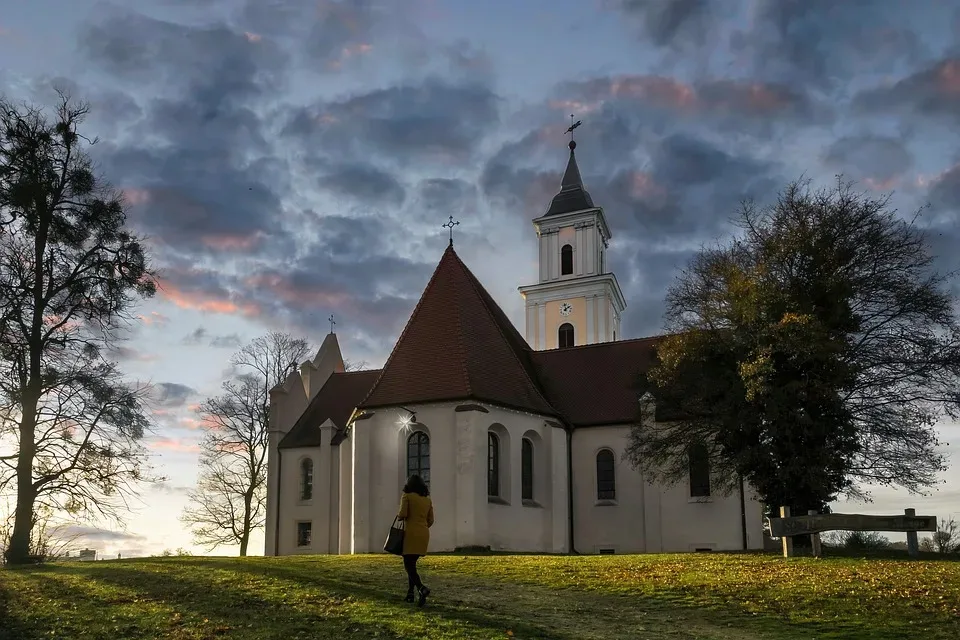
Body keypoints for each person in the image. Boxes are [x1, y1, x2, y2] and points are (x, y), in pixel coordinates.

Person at [396, 473, 434, 606]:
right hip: (423, 534)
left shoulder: (407, 496)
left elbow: (403, 514)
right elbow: (431, 520)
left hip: (410, 534)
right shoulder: (427, 500)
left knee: (408, 565)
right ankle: (410, 594)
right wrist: (422, 526)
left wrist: (399, 515)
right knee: (412, 564)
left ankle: (421, 588)